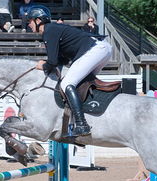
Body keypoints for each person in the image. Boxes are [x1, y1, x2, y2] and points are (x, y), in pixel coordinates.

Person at [28, 5, 112, 137]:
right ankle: (85, 120)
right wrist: (48, 64)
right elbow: (61, 59)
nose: (28, 24)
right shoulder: (53, 29)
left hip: (95, 50)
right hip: (102, 49)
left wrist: (42, 66)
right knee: (80, 84)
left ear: (38, 21)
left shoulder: (48, 31)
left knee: (67, 83)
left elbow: (52, 62)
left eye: (30, 21)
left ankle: (81, 124)